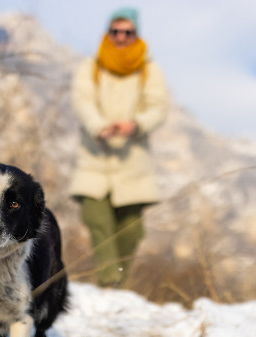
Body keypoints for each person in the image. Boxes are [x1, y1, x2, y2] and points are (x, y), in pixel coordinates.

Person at [68, 7, 169, 288]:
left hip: (132, 159)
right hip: (94, 157)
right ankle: (108, 278)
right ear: (108, 32)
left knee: (131, 231)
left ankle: (118, 288)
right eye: (115, 31)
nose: (121, 37)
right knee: (96, 218)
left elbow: (157, 107)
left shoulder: (149, 69)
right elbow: (82, 101)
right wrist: (99, 126)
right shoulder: (91, 66)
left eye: (127, 32)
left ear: (136, 34)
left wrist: (135, 125)